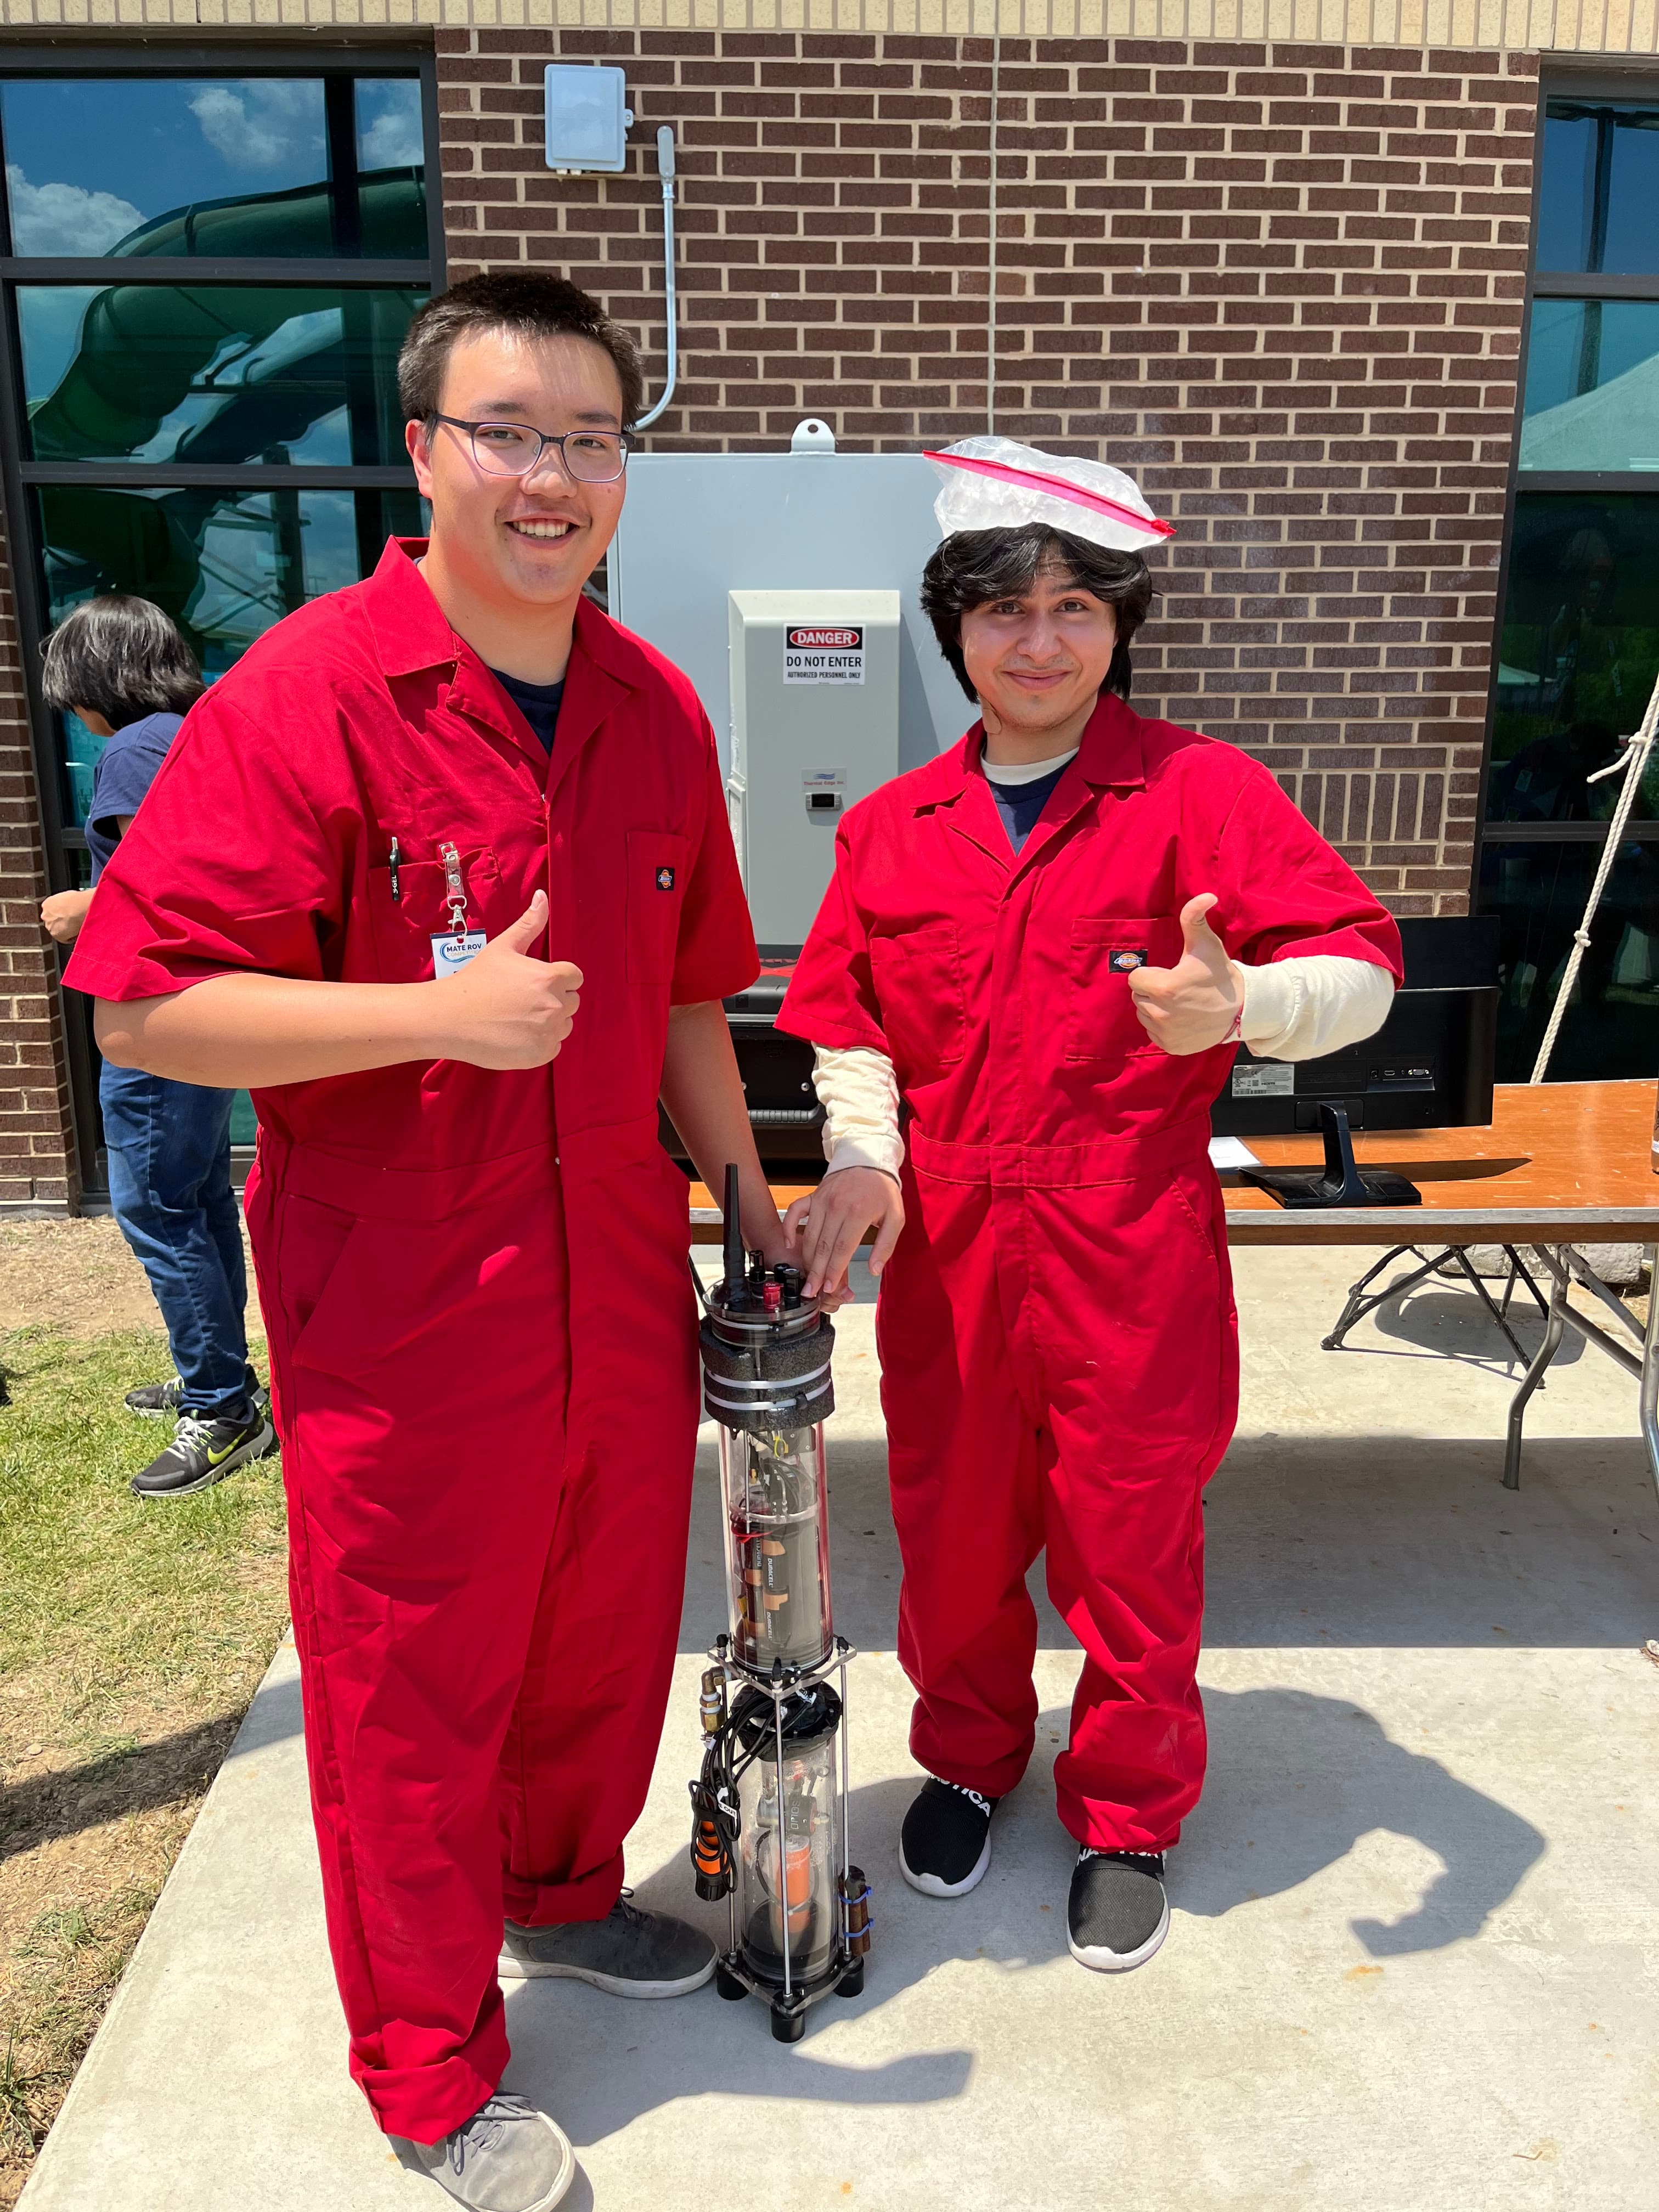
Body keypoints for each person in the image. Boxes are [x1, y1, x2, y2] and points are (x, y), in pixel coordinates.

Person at [65, 272, 789, 2212]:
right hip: (401, 1300)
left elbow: (687, 995)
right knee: (407, 1689)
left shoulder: (646, 706)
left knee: (598, 1626)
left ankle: (559, 1894)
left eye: (588, 438)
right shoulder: (309, 691)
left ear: (622, 470)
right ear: (425, 453)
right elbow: (145, 1006)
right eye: (509, 433)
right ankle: (426, 2066)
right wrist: (425, 1018)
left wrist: (744, 1192)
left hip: (614, 1275)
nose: (549, 474)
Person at [776, 438, 1403, 1978]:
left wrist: (1249, 1001)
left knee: (1133, 1540)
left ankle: (1125, 1814)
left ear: (1119, 623)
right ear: (957, 630)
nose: (1038, 640)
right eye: (1004, 611)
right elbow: (850, 1023)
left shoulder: (1201, 790)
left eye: (1072, 607)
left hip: (1131, 1234)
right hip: (957, 1241)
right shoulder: (892, 828)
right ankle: (974, 1759)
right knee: (956, 1528)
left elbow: (1366, 971)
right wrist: (866, 1153)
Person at [38, 595, 272, 1496]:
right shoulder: (198, 726)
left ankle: (219, 1405)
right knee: (199, 1197)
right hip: (199, 1011)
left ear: (97, 680)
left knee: (159, 1209)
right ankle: (218, 1374)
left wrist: (78, 908)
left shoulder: (135, 746)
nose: (76, 716)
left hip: (153, 1010)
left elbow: (173, 882)